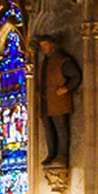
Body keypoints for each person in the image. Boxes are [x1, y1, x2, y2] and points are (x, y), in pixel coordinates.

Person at [35, 34, 82, 168]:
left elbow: (76, 76)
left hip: (58, 101)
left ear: (52, 44)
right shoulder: (44, 61)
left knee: (61, 128)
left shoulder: (61, 60)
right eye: (42, 46)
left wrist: (66, 88)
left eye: (45, 45)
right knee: (48, 129)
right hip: (45, 102)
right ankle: (51, 154)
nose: (43, 48)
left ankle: (61, 156)